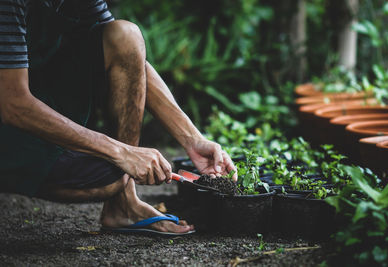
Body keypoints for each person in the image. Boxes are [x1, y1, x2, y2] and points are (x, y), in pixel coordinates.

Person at [0, 0, 237, 236]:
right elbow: (13, 104)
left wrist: (193, 139)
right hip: (10, 126)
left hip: (40, 102)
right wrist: (121, 152)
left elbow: (129, 59)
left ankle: (124, 206)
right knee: (110, 179)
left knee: (126, 36)